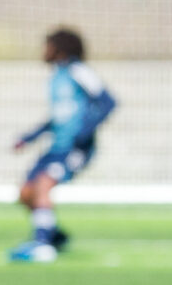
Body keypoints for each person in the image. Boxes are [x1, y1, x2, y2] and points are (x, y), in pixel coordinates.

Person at [9, 26, 116, 262]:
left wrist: (85, 131)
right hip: (56, 147)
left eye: (48, 46)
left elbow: (108, 102)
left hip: (76, 148)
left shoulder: (79, 71)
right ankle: (55, 236)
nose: (44, 51)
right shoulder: (57, 77)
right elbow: (58, 118)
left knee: (43, 185)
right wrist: (29, 137)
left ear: (60, 49)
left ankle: (42, 245)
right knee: (26, 193)